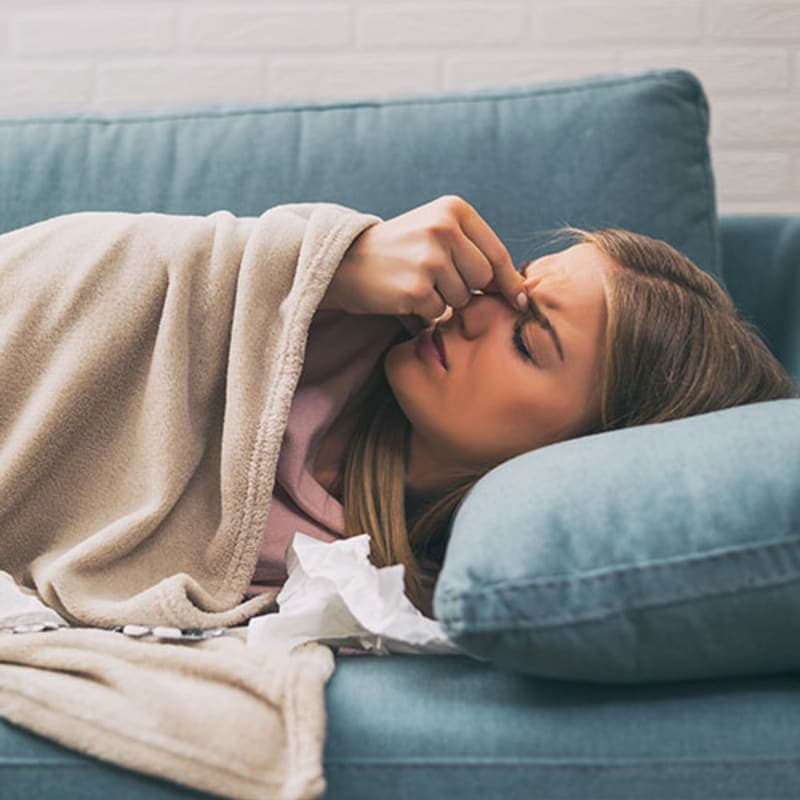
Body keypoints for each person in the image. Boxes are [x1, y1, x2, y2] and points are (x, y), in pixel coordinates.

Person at [250, 196, 798, 618]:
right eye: (514, 285)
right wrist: (327, 267)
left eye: (525, 343)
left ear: (581, 452)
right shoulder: (332, 316)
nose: (472, 309)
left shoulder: (398, 588)